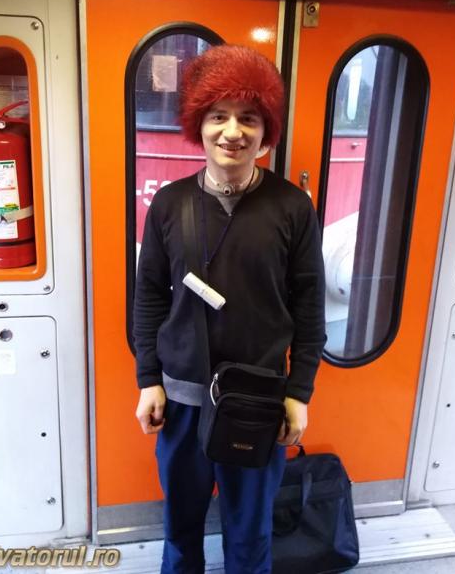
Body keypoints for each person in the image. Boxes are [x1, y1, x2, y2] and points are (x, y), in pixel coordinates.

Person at [134, 44, 326, 574]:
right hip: (181, 402)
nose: (232, 131)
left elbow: (309, 305)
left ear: (266, 133)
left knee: (249, 535)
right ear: (199, 125)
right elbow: (149, 295)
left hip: (258, 403)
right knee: (180, 533)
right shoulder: (169, 204)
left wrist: (299, 392)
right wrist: (148, 380)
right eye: (218, 116)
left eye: (248, 118)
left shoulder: (292, 208)